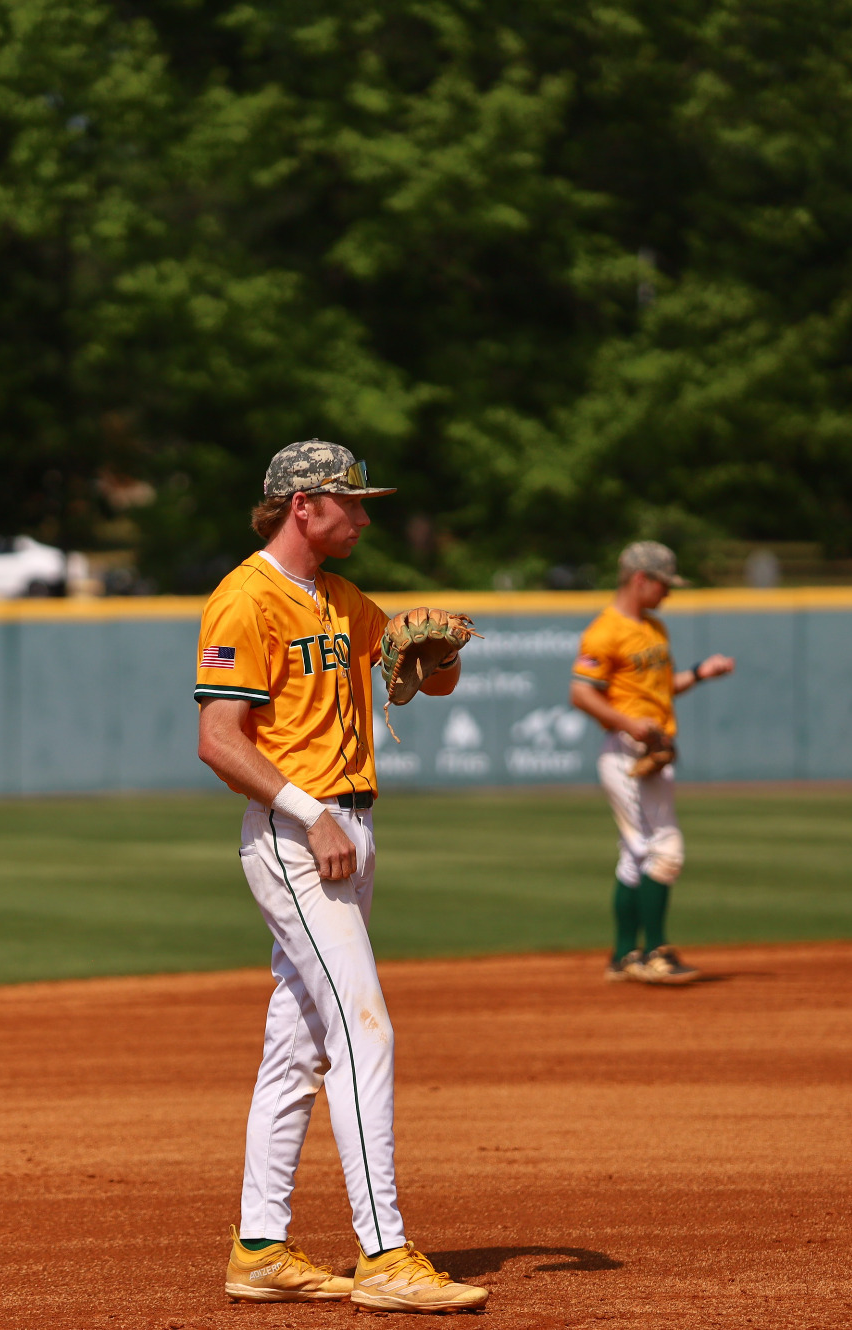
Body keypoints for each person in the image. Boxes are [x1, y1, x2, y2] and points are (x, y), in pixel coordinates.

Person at [195, 439, 489, 1314]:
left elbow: (422, 686)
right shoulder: (244, 600)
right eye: (350, 503)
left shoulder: (338, 596)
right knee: (368, 1030)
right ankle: (385, 1252)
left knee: (299, 1048)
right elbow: (218, 741)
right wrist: (308, 813)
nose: (363, 517)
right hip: (299, 838)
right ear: (302, 506)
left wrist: (435, 651)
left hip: (349, 832)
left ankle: (259, 1248)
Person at [568, 541, 735, 984]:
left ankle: (624, 956)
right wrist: (629, 723)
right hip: (625, 751)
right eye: (664, 583)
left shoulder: (654, 628)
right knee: (663, 849)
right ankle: (655, 952)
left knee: (634, 854)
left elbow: (658, 692)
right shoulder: (604, 631)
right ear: (640, 579)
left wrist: (700, 673)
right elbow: (581, 693)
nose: (668, 593)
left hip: (654, 752)